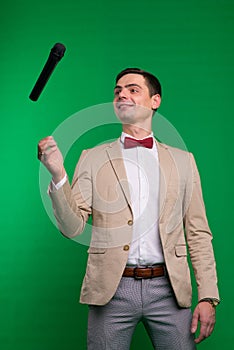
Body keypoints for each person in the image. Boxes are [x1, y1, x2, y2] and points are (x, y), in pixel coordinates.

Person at [38, 68, 220, 350]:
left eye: (133, 89)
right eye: (118, 91)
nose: (122, 93)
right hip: (111, 289)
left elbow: (197, 232)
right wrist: (58, 174)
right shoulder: (93, 157)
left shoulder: (185, 161)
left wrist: (208, 296)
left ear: (155, 101)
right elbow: (72, 227)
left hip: (170, 289)